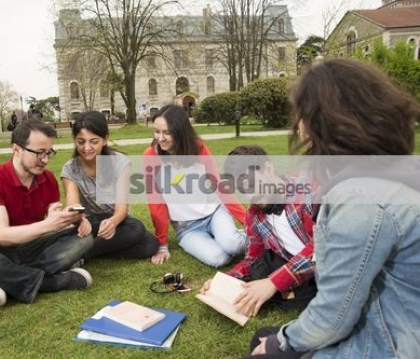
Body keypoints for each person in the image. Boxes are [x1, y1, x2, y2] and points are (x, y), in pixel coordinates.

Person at [245, 59, 420, 358]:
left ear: (320, 120)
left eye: (300, 115)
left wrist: (278, 344)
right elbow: (254, 252)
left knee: (265, 347)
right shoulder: (393, 173)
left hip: (388, 343)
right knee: (265, 337)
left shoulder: (358, 199)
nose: (298, 126)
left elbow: (333, 316)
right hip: (392, 322)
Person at [0, 119, 94, 308]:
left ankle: (4, 279)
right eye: (39, 153)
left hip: (31, 247)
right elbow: (2, 236)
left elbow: (54, 219)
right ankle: (50, 282)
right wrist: (48, 224)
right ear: (16, 149)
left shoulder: (48, 178)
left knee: (84, 238)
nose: (45, 160)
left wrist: (75, 220)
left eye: (49, 152)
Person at [200, 145, 316, 318]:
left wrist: (273, 283)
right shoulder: (253, 215)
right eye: (243, 190)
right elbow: (252, 260)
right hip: (295, 265)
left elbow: (323, 248)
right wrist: (222, 282)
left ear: (268, 168)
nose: (249, 196)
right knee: (263, 263)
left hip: (334, 264)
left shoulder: (306, 189)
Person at [144, 104, 247, 267]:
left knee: (232, 245)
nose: (160, 138)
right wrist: (162, 244)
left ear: (180, 131)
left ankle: (246, 236)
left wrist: (248, 221)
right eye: (157, 131)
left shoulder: (198, 148)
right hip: (187, 228)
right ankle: (225, 237)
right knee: (219, 259)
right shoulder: (151, 156)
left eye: (167, 132)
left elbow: (219, 185)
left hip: (214, 213)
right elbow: (156, 202)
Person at [61, 111, 158, 260]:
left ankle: (83, 253)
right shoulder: (70, 169)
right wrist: (80, 219)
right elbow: (73, 206)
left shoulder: (119, 162)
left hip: (118, 221)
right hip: (89, 222)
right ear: (74, 140)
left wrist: (112, 223)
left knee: (147, 241)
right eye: (81, 141)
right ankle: (88, 251)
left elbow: (121, 209)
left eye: (94, 141)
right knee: (138, 234)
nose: (87, 148)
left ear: (105, 140)